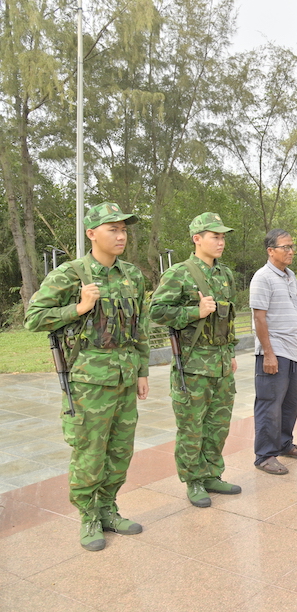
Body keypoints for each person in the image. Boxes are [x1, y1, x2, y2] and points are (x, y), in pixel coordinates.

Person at [24, 202, 150, 552]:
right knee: (90, 452)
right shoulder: (71, 274)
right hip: (88, 383)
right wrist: (78, 308)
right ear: (91, 233)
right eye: (113, 229)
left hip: (124, 378)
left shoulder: (132, 275)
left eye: (124, 229)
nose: (121, 235)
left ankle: (109, 508)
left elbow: (139, 326)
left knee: (120, 450)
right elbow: (34, 319)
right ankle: (89, 516)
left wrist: (142, 371)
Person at [150, 212, 241, 508]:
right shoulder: (179, 273)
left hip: (221, 363)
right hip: (192, 365)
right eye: (215, 236)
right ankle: (193, 480)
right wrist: (194, 312)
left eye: (223, 236)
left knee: (218, 425)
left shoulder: (225, 274)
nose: (221, 242)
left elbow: (229, 319)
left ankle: (212, 473)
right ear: (197, 239)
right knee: (192, 426)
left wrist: (231, 352)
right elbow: (156, 312)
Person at [251, 229, 297, 474]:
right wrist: (268, 353)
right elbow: (259, 317)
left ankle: (285, 444)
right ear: (270, 251)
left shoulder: (290, 276)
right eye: (285, 247)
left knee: (290, 404)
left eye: (291, 246)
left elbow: (293, 314)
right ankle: (265, 455)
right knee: (269, 405)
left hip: (290, 350)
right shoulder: (262, 277)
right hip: (273, 351)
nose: (290, 251)